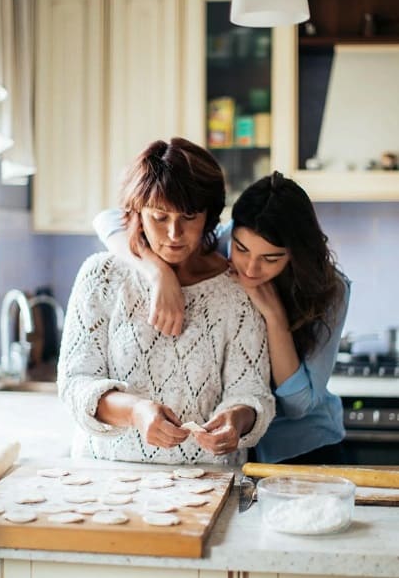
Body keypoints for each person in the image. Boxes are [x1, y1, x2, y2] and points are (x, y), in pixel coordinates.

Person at [93, 171, 350, 464]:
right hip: (231, 452)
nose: (251, 268)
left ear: (295, 254)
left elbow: (298, 405)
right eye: (241, 249)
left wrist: (275, 318)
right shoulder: (215, 243)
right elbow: (109, 220)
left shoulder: (331, 289)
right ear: (232, 231)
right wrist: (158, 273)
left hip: (301, 447)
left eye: (271, 258)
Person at [57, 138, 275, 465]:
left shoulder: (237, 290)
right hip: (106, 478)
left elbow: (253, 393)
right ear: (137, 214)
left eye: (189, 216)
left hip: (208, 479)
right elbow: (75, 384)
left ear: (209, 216)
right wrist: (135, 412)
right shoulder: (101, 276)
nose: (175, 234)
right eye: (160, 217)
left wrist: (236, 420)